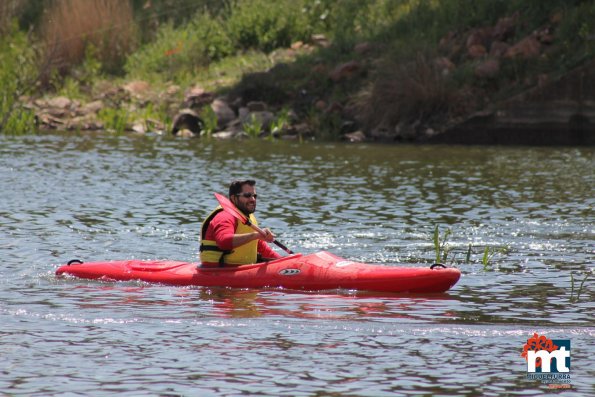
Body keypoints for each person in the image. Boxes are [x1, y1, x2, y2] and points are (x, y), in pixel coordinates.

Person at [200, 179, 282, 267]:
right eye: (247, 195)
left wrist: (283, 262)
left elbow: (261, 248)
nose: (253, 199)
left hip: (242, 269)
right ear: (233, 198)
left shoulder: (247, 216)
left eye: (254, 196)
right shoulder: (225, 216)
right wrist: (255, 235)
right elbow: (224, 242)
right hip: (218, 270)